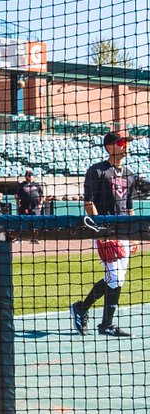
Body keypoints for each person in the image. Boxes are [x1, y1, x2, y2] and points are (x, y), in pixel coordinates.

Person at [70, 130, 150, 338]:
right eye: (121, 142)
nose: (125, 145)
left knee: (117, 279)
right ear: (109, 147)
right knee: (114, 277)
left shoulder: (130, 175)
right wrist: (100, 231)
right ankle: (100, 320)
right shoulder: (96, 171)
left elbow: (130, 208)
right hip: (106, 232)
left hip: (124, 232)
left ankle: (86, 311)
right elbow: (89, 203)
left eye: (126, 142)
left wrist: (133, 236)